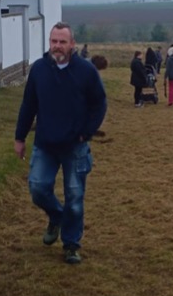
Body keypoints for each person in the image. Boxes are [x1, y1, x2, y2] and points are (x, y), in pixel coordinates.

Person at [14, 23, 107, 265]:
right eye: (54, 41)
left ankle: (71, 244)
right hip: (45, 143)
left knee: (74, 197)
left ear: (72, 44)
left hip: (75, 146)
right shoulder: (39, 70)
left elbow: (99, 103)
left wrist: (85, 132)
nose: (57, 46)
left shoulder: (86, 71)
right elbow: (29, 105)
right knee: (37, 188)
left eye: (62, 42)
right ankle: (57, 216)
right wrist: (20, 137)